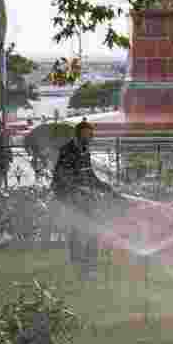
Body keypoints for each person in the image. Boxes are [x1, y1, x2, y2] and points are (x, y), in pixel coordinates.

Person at [52, 120, 114, 281]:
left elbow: (89, 175)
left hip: (80, 193)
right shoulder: (67, 150)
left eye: (91, 134)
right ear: (78, 134)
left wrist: (105, 187)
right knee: (82, 227)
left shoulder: (85, 150)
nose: (89, 137)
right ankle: (82, 265)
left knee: (87, 227)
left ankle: (85, 264)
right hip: (67, 194)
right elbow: (61, 175)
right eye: (86, 134)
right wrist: (76, 189)